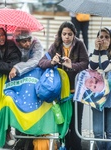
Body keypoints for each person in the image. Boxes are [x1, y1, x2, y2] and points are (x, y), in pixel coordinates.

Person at [38, 21, 89, 150]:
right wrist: (52, 62)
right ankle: (64, 146)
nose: (67, 37)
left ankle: (76, 147)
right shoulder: (55, 46)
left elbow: (85, 63)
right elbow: (41, 62)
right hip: (61, 93)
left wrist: (71, 66)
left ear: (74, 35)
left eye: (70, 34)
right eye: (64, 34)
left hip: (76, 92)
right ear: (60, 35)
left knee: (76, 123)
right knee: (63, 122)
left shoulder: (80, 44)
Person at [89, 27, 111, 150]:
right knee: (97, 132)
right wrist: (97, 50)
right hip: (98, 97)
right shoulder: (95, 53)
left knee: (110, 132)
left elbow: (106, 66)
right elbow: (92, 67)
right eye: (100, 37)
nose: (103, 39)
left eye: (106, 37)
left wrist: (104, 51)